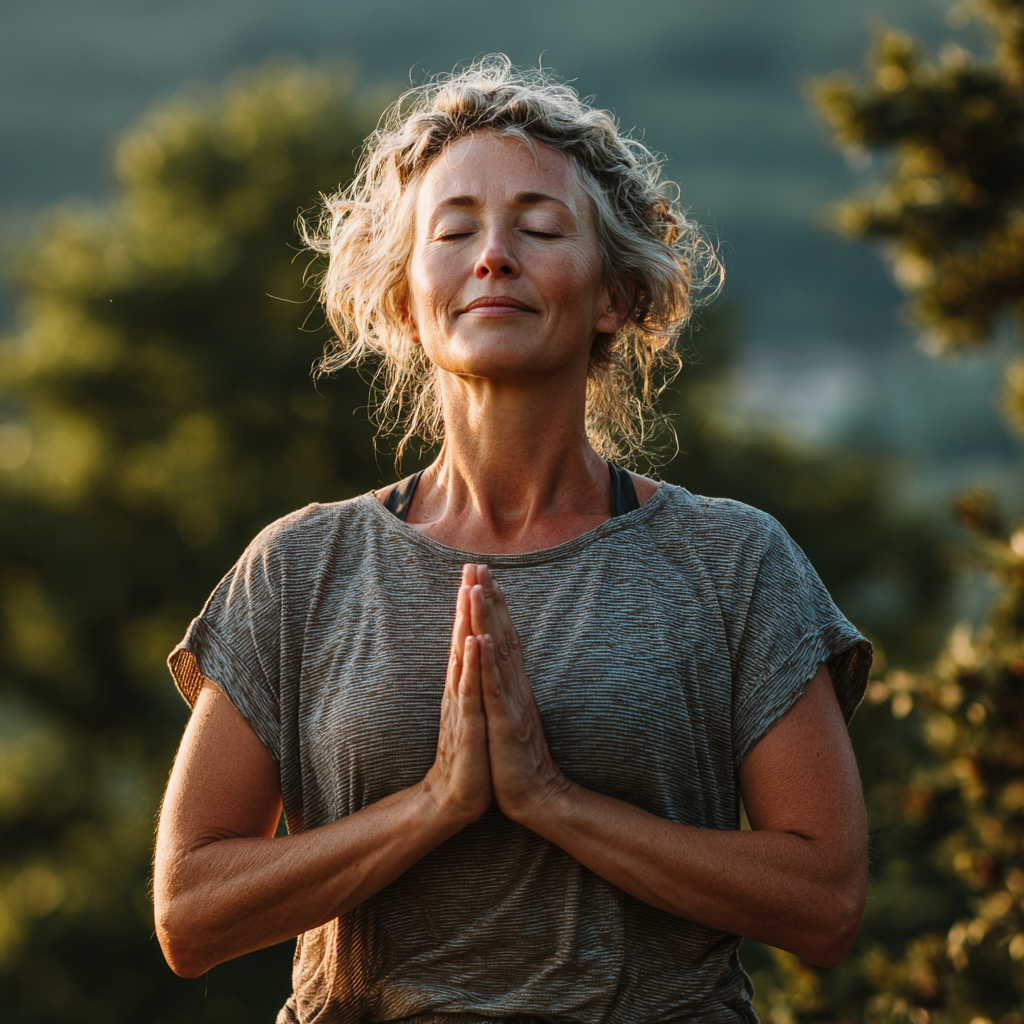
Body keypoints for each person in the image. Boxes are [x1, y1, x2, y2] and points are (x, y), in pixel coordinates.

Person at [154, 57, 872, 1024]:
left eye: (539, 229)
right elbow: (189, 914)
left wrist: (552, 800)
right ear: (408, 302)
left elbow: (826, 902)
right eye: (454, 232)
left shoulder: (733, 562)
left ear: (613, 297)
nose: (494, 256)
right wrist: (435, 805)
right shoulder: (300, 569)